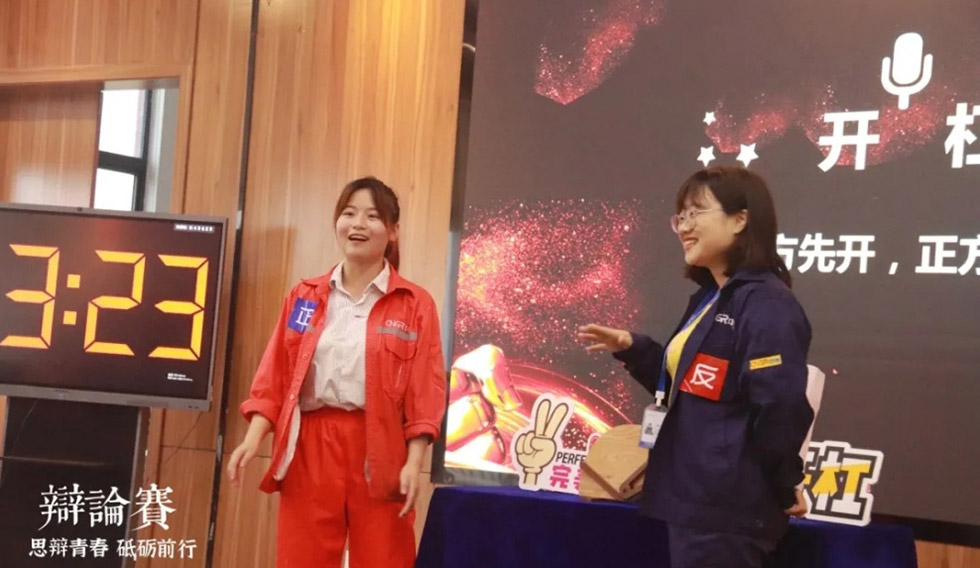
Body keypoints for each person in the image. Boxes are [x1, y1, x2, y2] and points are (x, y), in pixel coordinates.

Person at [578, 167, 814, 568]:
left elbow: (779, 405)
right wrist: (634, 349)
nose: (684, 227)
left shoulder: (767, 303)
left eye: (696, 212)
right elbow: (691, 386)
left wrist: (785, 482)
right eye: (681, 216)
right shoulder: (711, 298)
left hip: (727, 509)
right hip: (693, 502)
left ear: (740, 220)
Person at [227, 177, 446, 568]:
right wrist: (253, 438)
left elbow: (424, 392)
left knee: (385, 558)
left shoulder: (414, 304)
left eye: (372, 216)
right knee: (302, 558)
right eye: (349, 213)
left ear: (393, 231)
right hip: (310, 445)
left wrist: (413, 463)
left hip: (381, 445)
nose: (358, 224)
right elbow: (276, 375)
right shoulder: (304, 296)